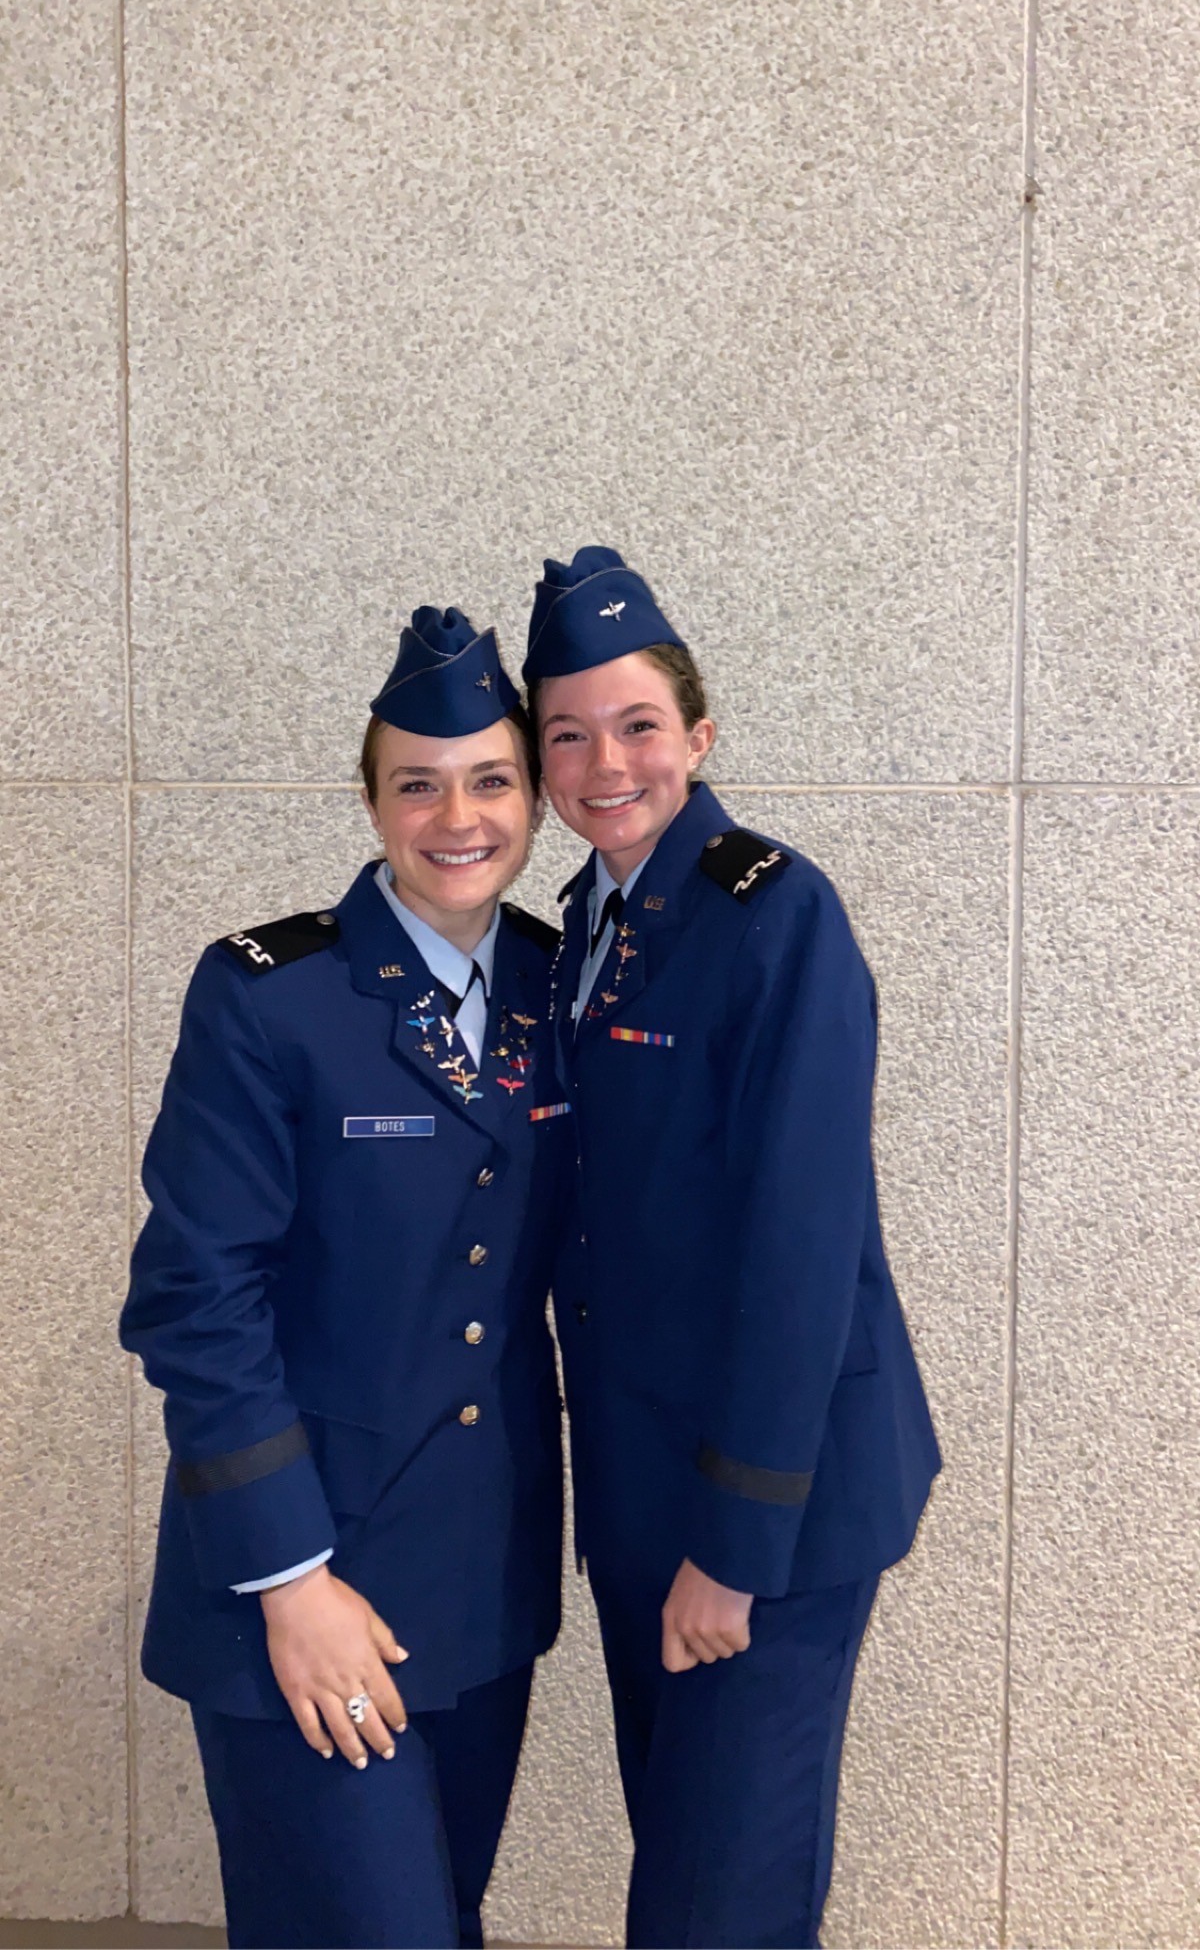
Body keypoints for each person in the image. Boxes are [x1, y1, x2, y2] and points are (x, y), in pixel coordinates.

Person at [121, 607, 569, 1950]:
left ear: (533, 798)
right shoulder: (270, 996)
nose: (458, 816)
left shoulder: (557, 984)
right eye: (417, 783)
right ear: (372, 801)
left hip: (481, 1582)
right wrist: (289, 1581)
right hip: (305, 1585)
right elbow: (197, 1300)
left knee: (445, 1916)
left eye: (492, 779)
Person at [522, 547, 942, 1950]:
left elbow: (800, 1252)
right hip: (652, 1485)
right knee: (691, 1853)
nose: (604, 760)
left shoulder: (774, 916)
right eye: (566, 733)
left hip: (774, 1499)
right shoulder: (590, 924)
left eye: (638, 724)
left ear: (699, 737)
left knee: (722, 1903)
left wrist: (737, 1546)